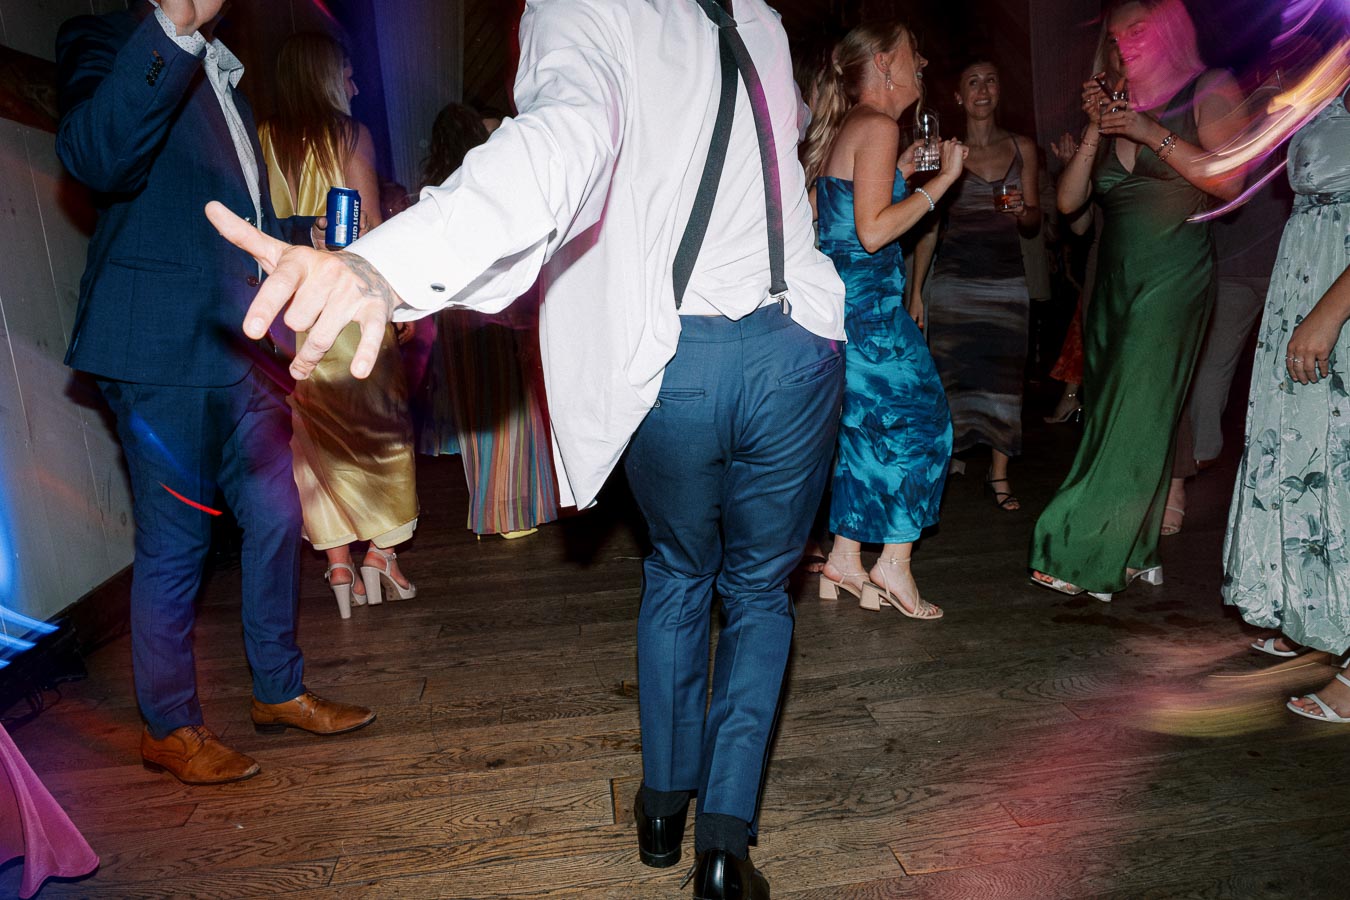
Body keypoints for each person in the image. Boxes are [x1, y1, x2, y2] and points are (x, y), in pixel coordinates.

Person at [209, 0, 846, 894]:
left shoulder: (592, 7)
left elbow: (559, 143)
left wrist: (383, 262)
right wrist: (384, 262)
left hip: (678, 360)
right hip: (792, 353)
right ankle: (723, 847)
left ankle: (664, 810)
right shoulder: (764, 18)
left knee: (677, 573)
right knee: (759, 598)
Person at [55, 0, 373, 785]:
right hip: (159, 347)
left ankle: (279, 689)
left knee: (276, 514)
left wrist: (304, 235)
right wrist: (172, 26)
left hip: (236, 345)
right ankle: (170, 728)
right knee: (177, 543)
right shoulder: (107, 37)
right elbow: (99, 159)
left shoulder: (228, 78)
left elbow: (225, 218)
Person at [1028, 0, 1246, 601]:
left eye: (1138, 28)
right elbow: (1071, 202)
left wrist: (1153, 132)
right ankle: (1139, 548)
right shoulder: (1117, 103)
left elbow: (1229, 179)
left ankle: (1080, 546)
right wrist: (1101, 125)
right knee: (1114, 408)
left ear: (1170, 28)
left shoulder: (1208, 87)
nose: (1124, 41)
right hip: (1114, 282)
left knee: (1135, 409)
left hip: (1175, 276)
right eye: (1116, 32)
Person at [799, 21, 963, 619]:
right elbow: (871, 232)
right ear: (886, 64)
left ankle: (844, 557)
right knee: (927, 426)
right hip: (871, 315)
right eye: (912, 51)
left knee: (864, 436)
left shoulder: (854, 128)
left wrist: (897, 170)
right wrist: (940, 183)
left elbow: (836, 221)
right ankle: (893, 562)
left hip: (847, 311)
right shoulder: (876, 124)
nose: (921, 60)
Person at [258, 31, 419, 616]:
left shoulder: (261, 140)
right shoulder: (349, 135)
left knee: (312, 440)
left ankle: (338, 566)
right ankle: (382, 554)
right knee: (382, 430)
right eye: (347, 73)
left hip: (287, 312)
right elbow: (371, 227)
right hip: (345, 304)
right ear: (326, 76)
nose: (353, 85)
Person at [1224, 81, 1350, 722]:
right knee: (1307, 453)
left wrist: (1330, 311)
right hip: (1307, 265)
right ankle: (1315, 614)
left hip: (1340, 285)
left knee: (1343, 462)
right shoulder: (1332, 74)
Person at [419, 102, 560, 539]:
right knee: (509, 418)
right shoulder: (489, 184)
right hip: (492, 312)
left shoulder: (436, 190)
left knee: (475, 418)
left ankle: (490, 510)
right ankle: (512, 513)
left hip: (455, 319)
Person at [912, 56, 1041, 512]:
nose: (982, 89)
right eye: (973, 82)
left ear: (999, 90)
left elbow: (1033, 222)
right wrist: (917, 292)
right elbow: (928, 224)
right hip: (954, 284)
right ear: (958, 96)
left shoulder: (1022, 146)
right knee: (949, 375)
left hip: (1005, 282)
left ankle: (999, 472)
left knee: (1005, 376)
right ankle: (951, 457)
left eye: (990, 80)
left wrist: (1023, 209)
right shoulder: (947, 152)